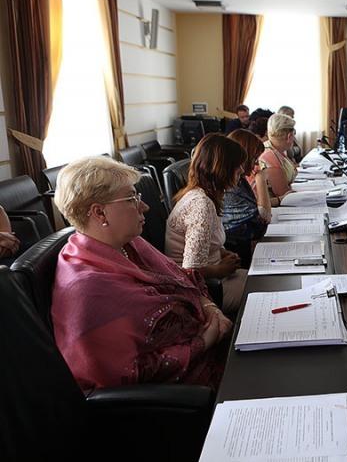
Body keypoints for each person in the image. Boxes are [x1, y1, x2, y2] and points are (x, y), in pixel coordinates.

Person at [52, 156, 230, 390]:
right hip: (188, 391)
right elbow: (126, 374)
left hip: (214, 351)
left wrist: (210, 308)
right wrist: (204, 341)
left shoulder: (130, 244)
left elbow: (184, 280)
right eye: (131, 198)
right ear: (100, 213)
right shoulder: (87, 290)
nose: (144, 206)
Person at [166, 134, 247, 315]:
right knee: (265, 288)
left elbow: (205, 244)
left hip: (213, 280)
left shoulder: (203, 196)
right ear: (222, 168)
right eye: (237, 165)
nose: (242, 170)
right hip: (199, 290)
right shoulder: (201, 204)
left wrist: (222, 253)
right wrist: (220, 269)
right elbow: (191, 268)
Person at [224, 130, 272, 265]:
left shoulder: (239, 179)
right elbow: (263, 219)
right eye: (254, 159)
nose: (256, 164)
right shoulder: (230, 186)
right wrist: (261, 180)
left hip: (243, 248)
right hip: (236, 255)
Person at [258, 113, 298, 201]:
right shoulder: (270, 156)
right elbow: (284, 196)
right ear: (289, 136)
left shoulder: (275, 150)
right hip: (275, 206)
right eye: (294, 134)